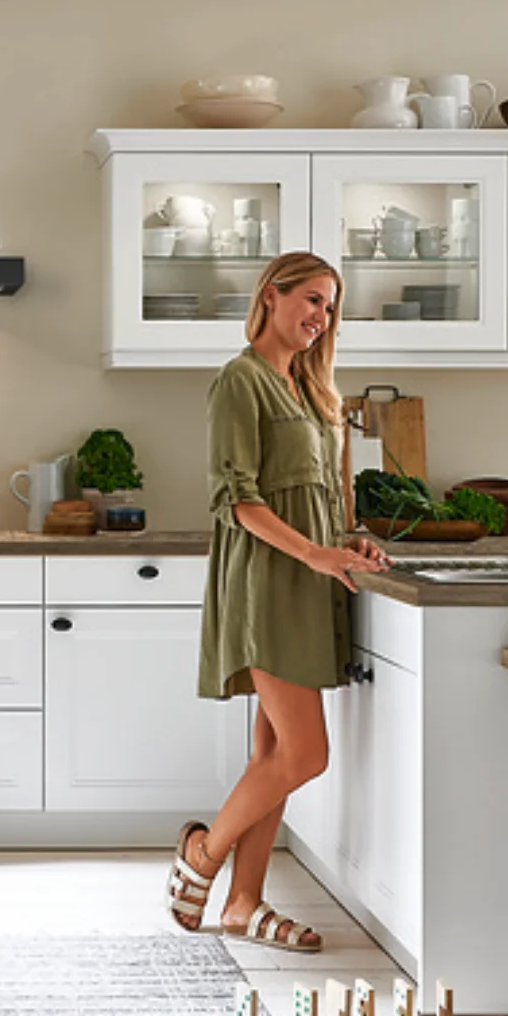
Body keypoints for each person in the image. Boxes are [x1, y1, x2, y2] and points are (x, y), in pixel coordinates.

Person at [164, 251, 391, 949]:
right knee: (306, 753)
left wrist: (348, 539)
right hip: (268, 582)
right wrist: (317, 555)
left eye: (330, 306)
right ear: (271, 295)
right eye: (312, 299)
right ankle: (202, 855)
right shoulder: (242, 381)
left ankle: (243, 904)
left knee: (272, 755)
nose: (322, 316)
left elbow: (323, 494)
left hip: (310, 580)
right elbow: (236, 499)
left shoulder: (314, 391)